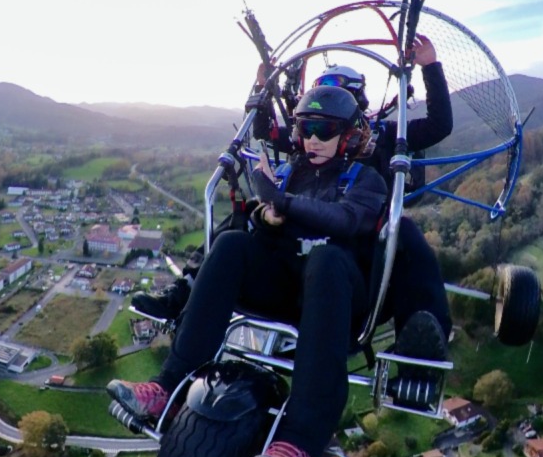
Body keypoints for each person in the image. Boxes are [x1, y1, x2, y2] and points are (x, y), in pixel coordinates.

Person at [132, 36, 456, 408]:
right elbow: (267, 131)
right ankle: (184, 292)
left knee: (404, 236)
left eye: (335, 97)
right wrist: (261, 88)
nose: (316, 134)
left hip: (359, 243)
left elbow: (437, 125)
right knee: (242, 218)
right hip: (299, 242)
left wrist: (430, 66)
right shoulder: (311, 136)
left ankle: (419, 351)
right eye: (316, 107)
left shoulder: (381, 135)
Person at [110, 84, 385, 457]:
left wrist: (283, 202)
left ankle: (300, 445)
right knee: (232, 242)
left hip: (335, 296)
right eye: (305, 127)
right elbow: (266, 219)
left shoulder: (366, 179)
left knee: (327, 260)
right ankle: (167, 386)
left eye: (323, 130)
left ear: (347, 135)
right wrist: (265, 213)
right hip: (285, 283)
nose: (312, 138)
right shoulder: (291, 172)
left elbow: (347, 221)